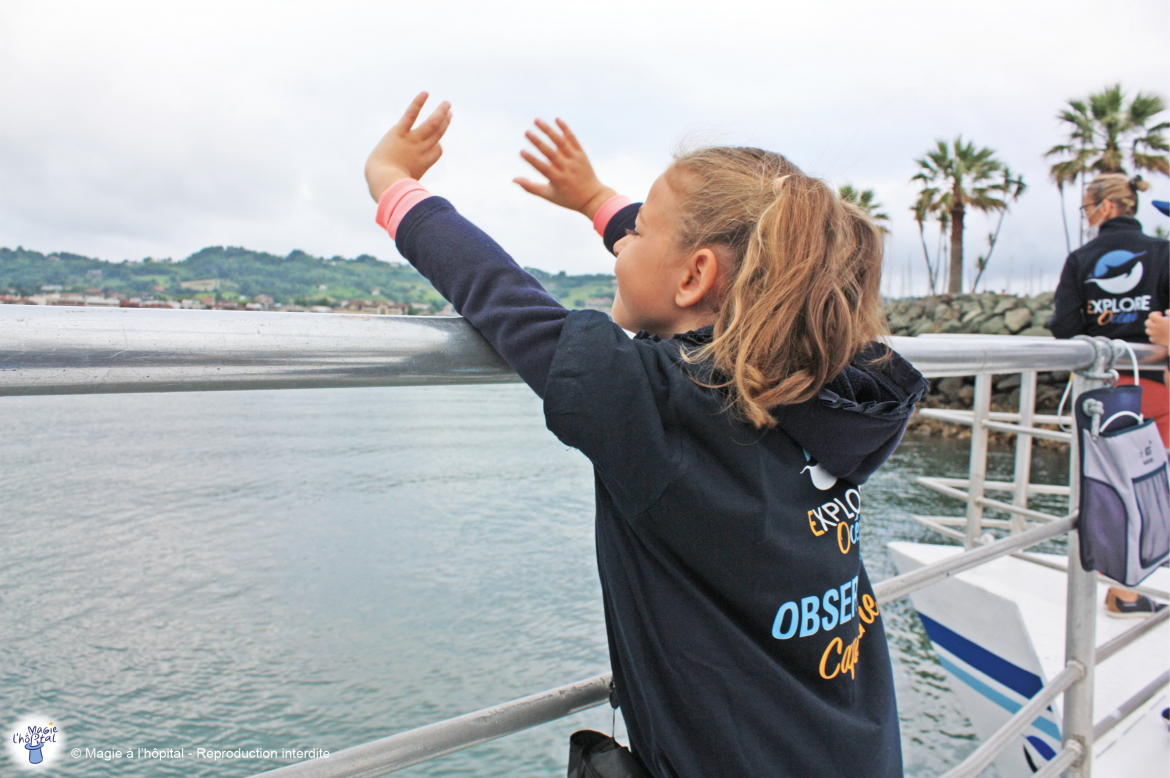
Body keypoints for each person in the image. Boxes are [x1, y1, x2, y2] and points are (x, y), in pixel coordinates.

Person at [364, 93, 927, 777]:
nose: (621, 241)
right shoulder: (827, 388)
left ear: (696, 274)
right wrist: (596, 199)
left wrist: (394, 185)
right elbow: (715, 265)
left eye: (637, 232)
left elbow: (501, 295)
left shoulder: (666, 406)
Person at [1050, 173, 1170, 619]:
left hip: (1103, 393)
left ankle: (1120, 584)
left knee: (1110, 489)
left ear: (1106, 207)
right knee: (1155, 484)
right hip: (1158, 388)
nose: (1086, 217)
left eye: (1086, 209)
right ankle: (1127, 588)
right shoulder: (1163, 252)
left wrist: (1099, 338)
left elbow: (1064, 326)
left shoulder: (1082, 259)